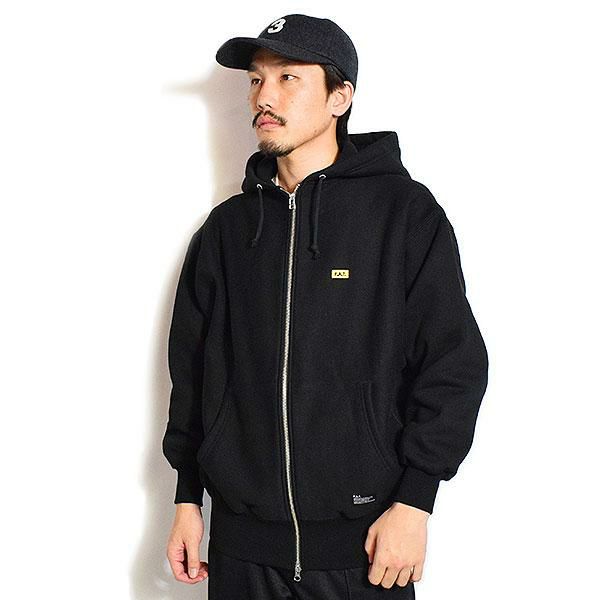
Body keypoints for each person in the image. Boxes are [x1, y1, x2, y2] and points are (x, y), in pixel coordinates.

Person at [162, 13, 489, 599]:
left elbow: (453, 364)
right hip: (241, 554)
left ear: (341, 97)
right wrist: (188, 497)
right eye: (257, 80)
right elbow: (192, 372)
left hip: (365, 553)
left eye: (288, 78)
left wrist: (416, 502)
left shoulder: (404, 215)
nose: (264, 97)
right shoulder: (227, 231)